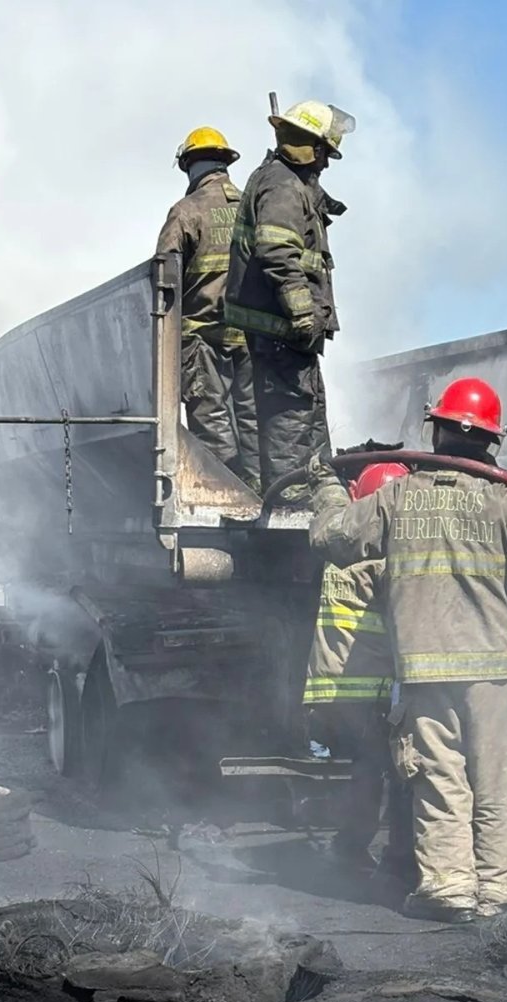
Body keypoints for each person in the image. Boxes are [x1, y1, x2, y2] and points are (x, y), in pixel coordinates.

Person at [306, 378, 507, 923]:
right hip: (497, 675)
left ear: (435, 430)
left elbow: (331, 536)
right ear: (492, 440)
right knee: (499, 782)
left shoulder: (397, 498)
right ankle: (498, 894)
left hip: (425, 674)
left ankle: (449, 888)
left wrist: (325, 484)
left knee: (440, 781)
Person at [225, 100, 354, 497]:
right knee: (290, 418)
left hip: (288, 333)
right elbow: (277, 251)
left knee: (307, 415)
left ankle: (313, 494)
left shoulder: (287, 183)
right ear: (308, 147)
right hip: (282, 330)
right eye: (323, 153)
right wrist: (302, 312)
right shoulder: (282, 186)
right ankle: (290, 500)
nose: (326, 163)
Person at [303, 461, 414, 881]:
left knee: (367, 769)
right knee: (399, 771)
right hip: (372, 692)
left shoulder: (340, 547)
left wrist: (324, 480)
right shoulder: (386, 559)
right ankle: (393, 857)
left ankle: (352, 847)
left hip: (332, 689)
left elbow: (333, 511)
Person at [157, 127, 260, 489]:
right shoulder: (253, 208)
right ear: (226, 162)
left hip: (201, 339)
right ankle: (260, 490)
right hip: (251, 338)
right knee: (254, 418)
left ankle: (228, 492)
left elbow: (162, 280)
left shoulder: (185, 212)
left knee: (211, 419)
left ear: (188, 165)